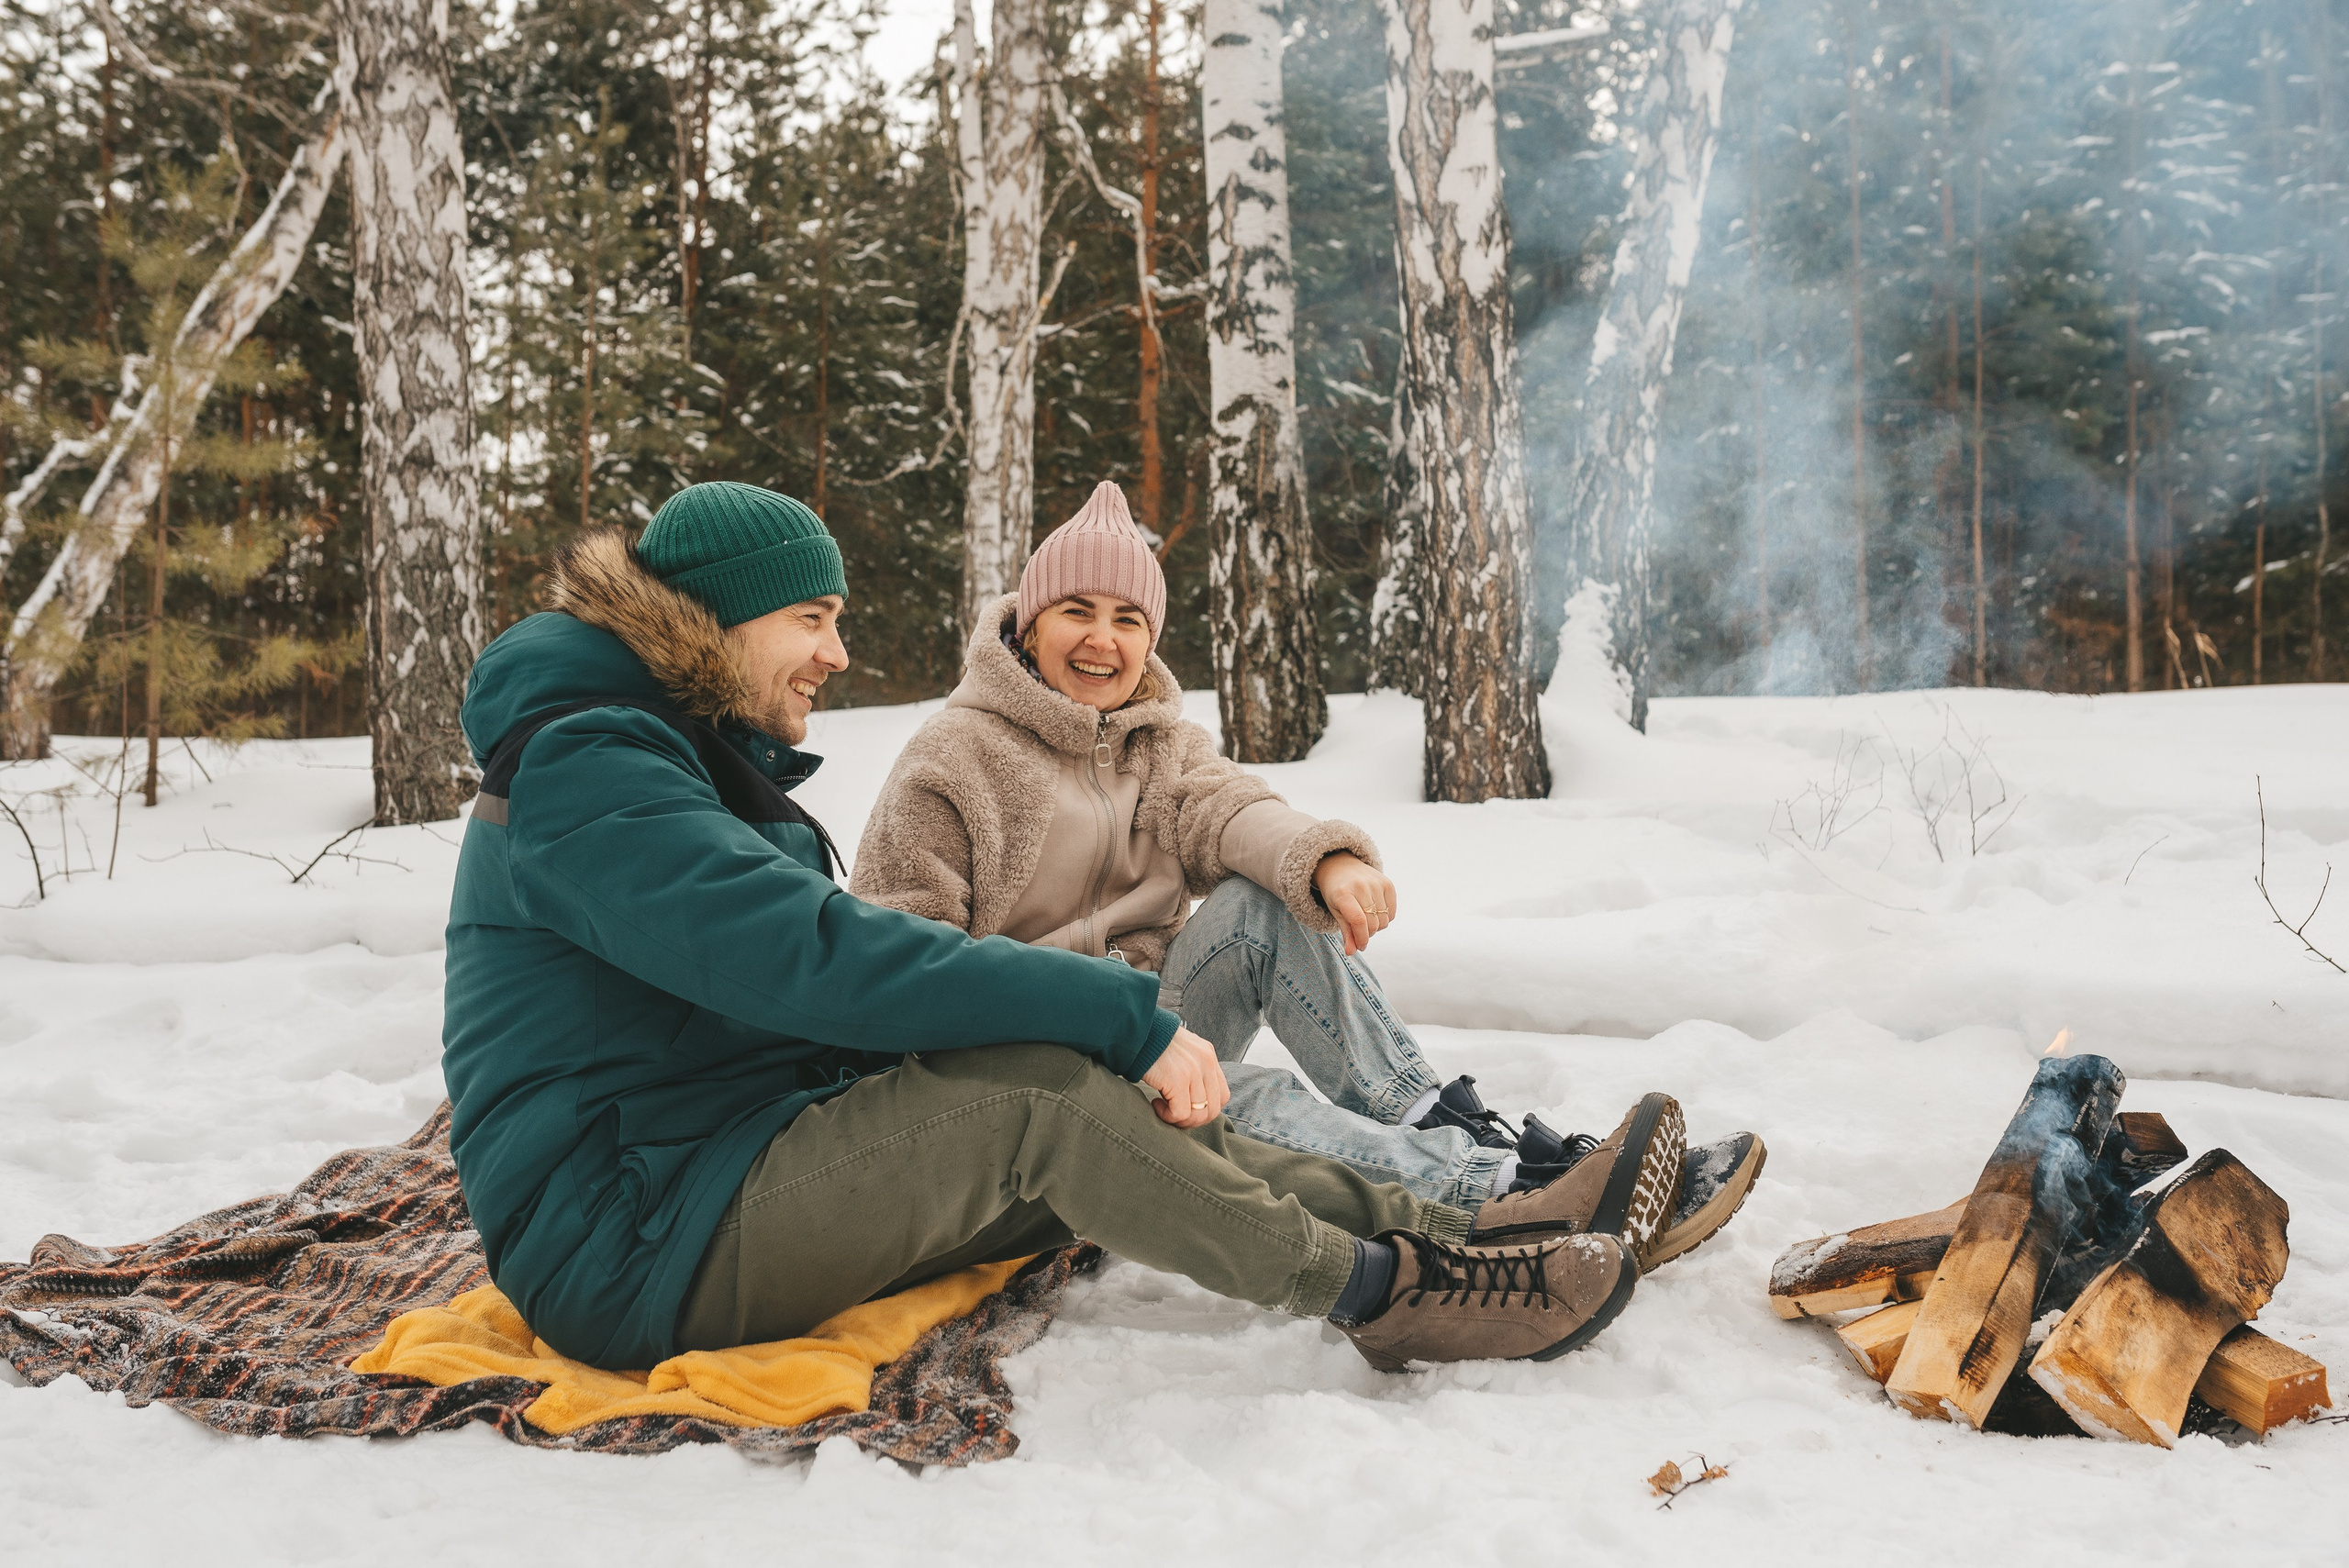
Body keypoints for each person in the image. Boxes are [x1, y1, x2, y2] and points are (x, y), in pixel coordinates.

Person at [440, 481, 1648, 1379]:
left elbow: (1216, 805)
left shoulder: (665, 756)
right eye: (814, 617)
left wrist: (1301, 865)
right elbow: (818, 957)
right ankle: (1392, 1294)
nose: (838, 652)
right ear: (721, 617)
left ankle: (1470, 1227)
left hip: (720, 1161)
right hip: (637, 1237)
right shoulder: (590, 768)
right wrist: (1110, 1018)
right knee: (1046, 1099)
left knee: (1085, 1105)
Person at [851, 482, 1765, 1273]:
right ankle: (1497, 1195)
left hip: (1150, 1026)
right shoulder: (954, 754)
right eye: (1076, 611)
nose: (1102, 639)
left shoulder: (1158, 743)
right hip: (1031, 1070)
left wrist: (1323, 859)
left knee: (1258, 903)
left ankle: (1440, 1119)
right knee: (1249, 1097)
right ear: (1027, 619)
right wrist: (1069, 1023)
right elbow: (899, 956)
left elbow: (1229, 810)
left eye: (1127, 618)